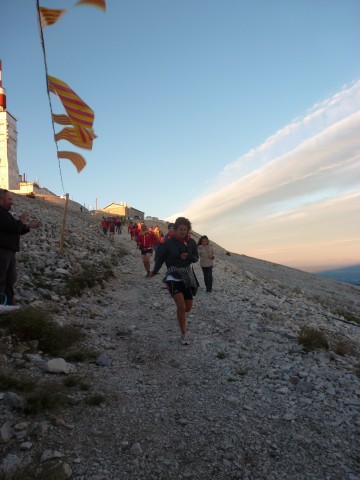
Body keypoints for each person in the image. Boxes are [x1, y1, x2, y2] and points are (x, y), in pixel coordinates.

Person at [149, 217, 199, 345]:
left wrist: (188, 255)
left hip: (187, 276)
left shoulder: (192, 242)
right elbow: (159, 259)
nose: (183, 231)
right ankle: (183, 334)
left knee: (187, 308)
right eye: (180, 229)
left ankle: (180, 316)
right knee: (181, 306)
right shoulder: (167, 243)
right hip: (172, 276)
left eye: (185, 229)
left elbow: (195, 258)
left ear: (188, 230)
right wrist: (154, 272)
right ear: (175, 229)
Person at [0, 189, 40, 309]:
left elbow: (15, 229)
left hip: (9, 252)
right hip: (2, 251)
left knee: (10, 278)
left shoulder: (5, 214)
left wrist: (28, 226)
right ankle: (2, 305)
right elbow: (13, 227)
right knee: (1, 278)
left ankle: (8, 304)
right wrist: (22, 219)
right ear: (1, 200)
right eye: (9, 199)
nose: (11, 202)